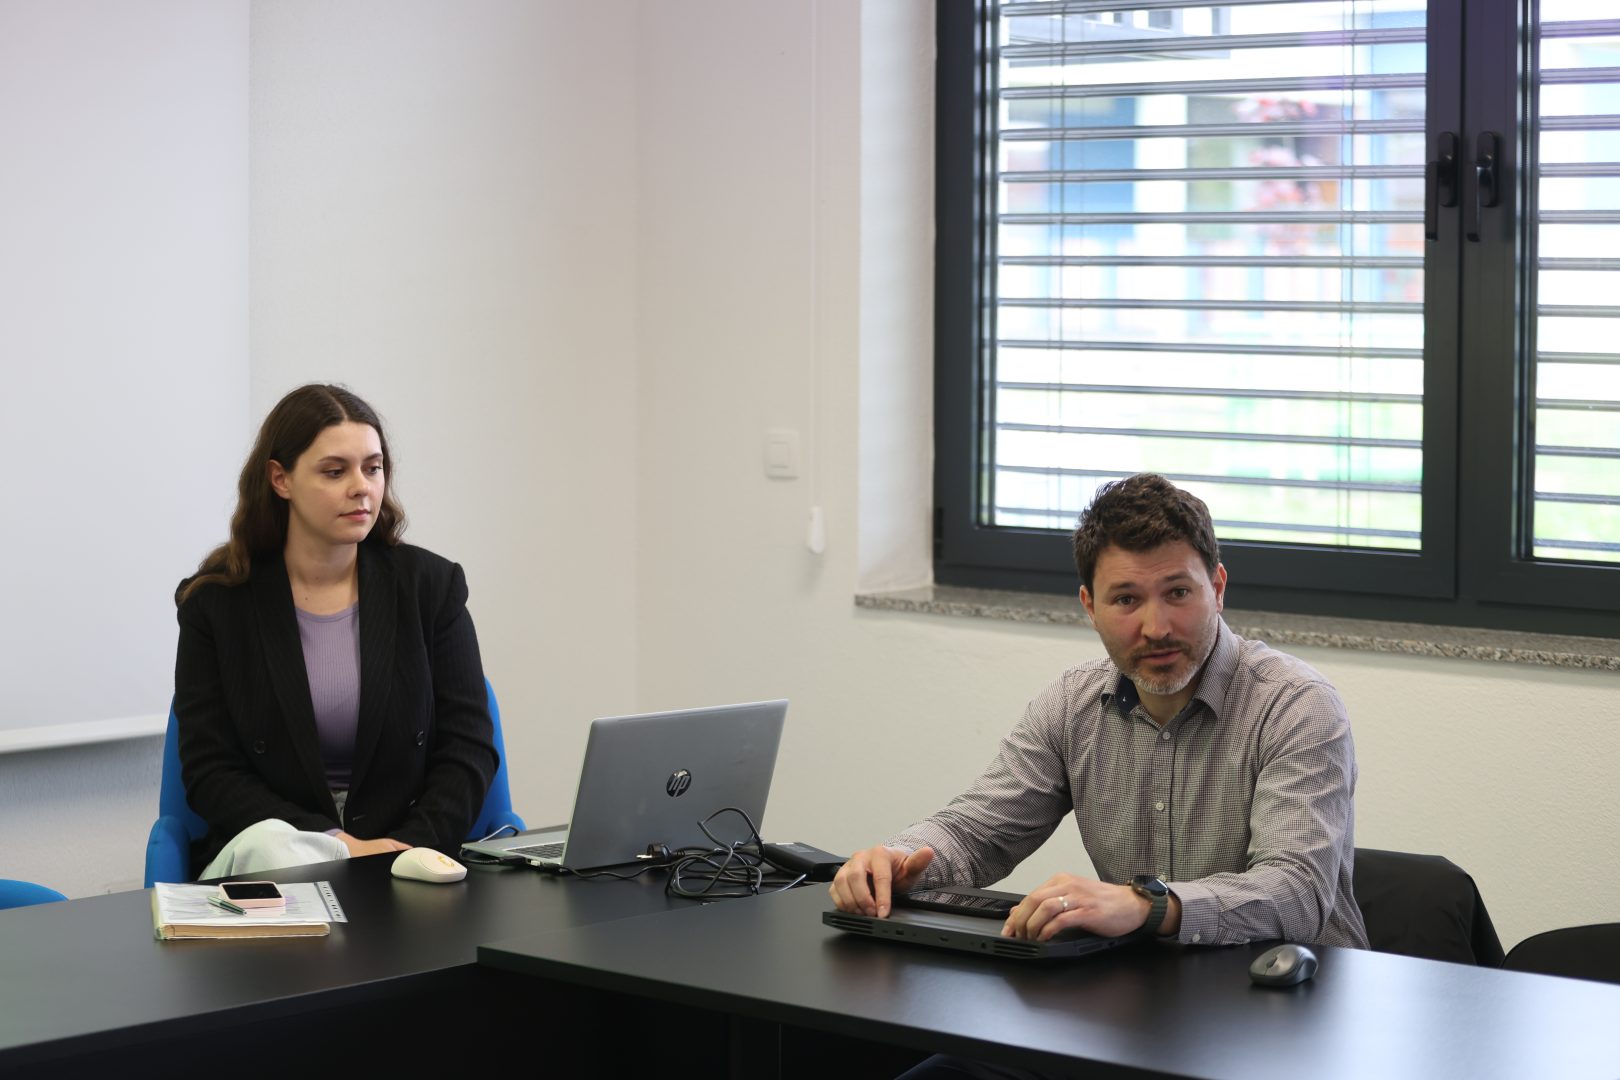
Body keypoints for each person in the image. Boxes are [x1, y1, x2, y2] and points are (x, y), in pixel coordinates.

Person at [830, 473, 1367, 953]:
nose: (1157, 627)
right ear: (1090, 606)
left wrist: (1148, 905)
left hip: (1295, 997)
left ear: (1218, 589)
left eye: (1178, 592)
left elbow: (1296, 890)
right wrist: (895, 860)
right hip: (1143, 994)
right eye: (1127, 600)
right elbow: (977, 831)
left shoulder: (1295, 705)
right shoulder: (1073, 704)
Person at [173, 384, 497, 880]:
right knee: (275, 849)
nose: (361, 487)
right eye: (335, 471)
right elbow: (211, 772)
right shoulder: (215, 602)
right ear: (280, 479)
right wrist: (337, 845)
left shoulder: (432, 587)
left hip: (407, 854)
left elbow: (468, 750)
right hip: (276, 860)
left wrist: (406, 851)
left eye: (373, 468)